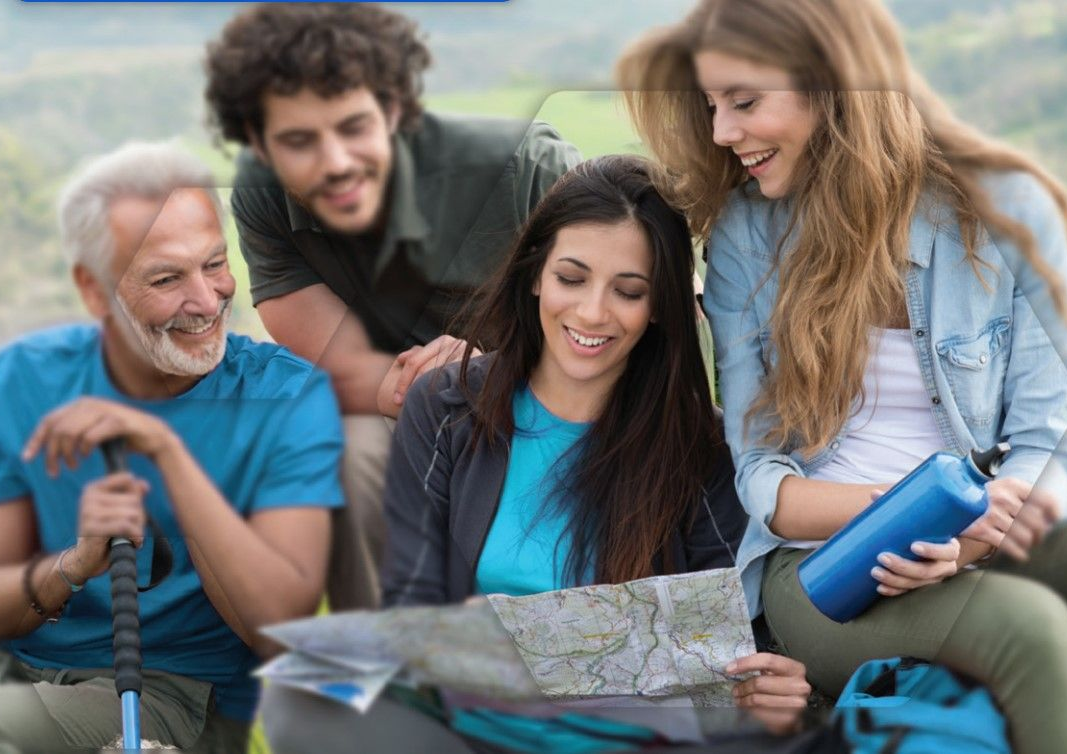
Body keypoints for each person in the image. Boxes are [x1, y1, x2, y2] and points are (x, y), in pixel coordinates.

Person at [618, 1, 1067, 752]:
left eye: (745, 101)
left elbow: (1048, 432)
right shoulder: (744, 241)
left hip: (985, 524)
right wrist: (906, 513)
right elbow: (761, 477)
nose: (723, 133)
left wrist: (966, 541)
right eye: (711, 108)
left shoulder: (1001, 207)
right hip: (821, 569)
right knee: (1029, 635)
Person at [261, 155, 814, 754]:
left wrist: (770, 696)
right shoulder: (445, 407)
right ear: (534, 276)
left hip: (621, 734)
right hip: (464, 723)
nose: (592, 312)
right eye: (571, 279)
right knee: (302, 696)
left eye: (628, 291)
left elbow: (727, 649)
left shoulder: (703, 449)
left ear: (659, 306)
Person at [203, 2, 581, 612]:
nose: (335, 162)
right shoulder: (265, 198)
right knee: (345, 444)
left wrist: (492, 372)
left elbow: (647, 332)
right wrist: (449, 388)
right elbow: (337, 362)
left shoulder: (527, 170)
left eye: (353, 127)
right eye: (298, 141)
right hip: (412, 410)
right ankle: (397, 670)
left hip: (566, 404)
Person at [0, 142, 344, 753]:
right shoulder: (24, 380)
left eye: (214, 265)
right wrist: (72, 568)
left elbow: (275, 632)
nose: (208, 301)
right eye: (167, 278)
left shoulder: (283, 396)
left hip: (169, 692)